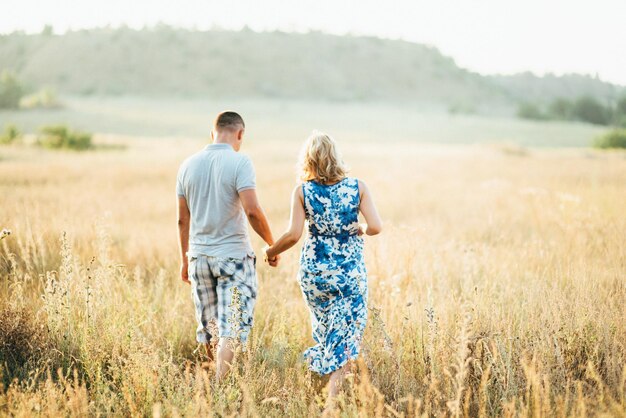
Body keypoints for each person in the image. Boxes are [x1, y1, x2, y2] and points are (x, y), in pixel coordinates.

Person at [263, 131, 382, 407]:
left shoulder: (302, 191)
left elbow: (293, 235)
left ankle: (319, 380)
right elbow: (376, 227)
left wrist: (270, 252)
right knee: (347, 334)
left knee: (329, 330)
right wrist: (360, 229)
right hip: (348, 276)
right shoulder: (358, 187)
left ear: (309, 160)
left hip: (314, 275)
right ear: (335, 156)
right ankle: (331, 404)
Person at [176, 111, 278, 380]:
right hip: (233, 257)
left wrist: (185, 260)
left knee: (210, 327)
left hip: (199, 257)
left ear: (213, 132)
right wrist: (272, 244)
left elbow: (181, 219)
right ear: (240, 133)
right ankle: (222, 388)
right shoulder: (240, 161)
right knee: (231, 328)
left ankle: (215, 385)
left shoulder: (187, 165)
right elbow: (253, 211)